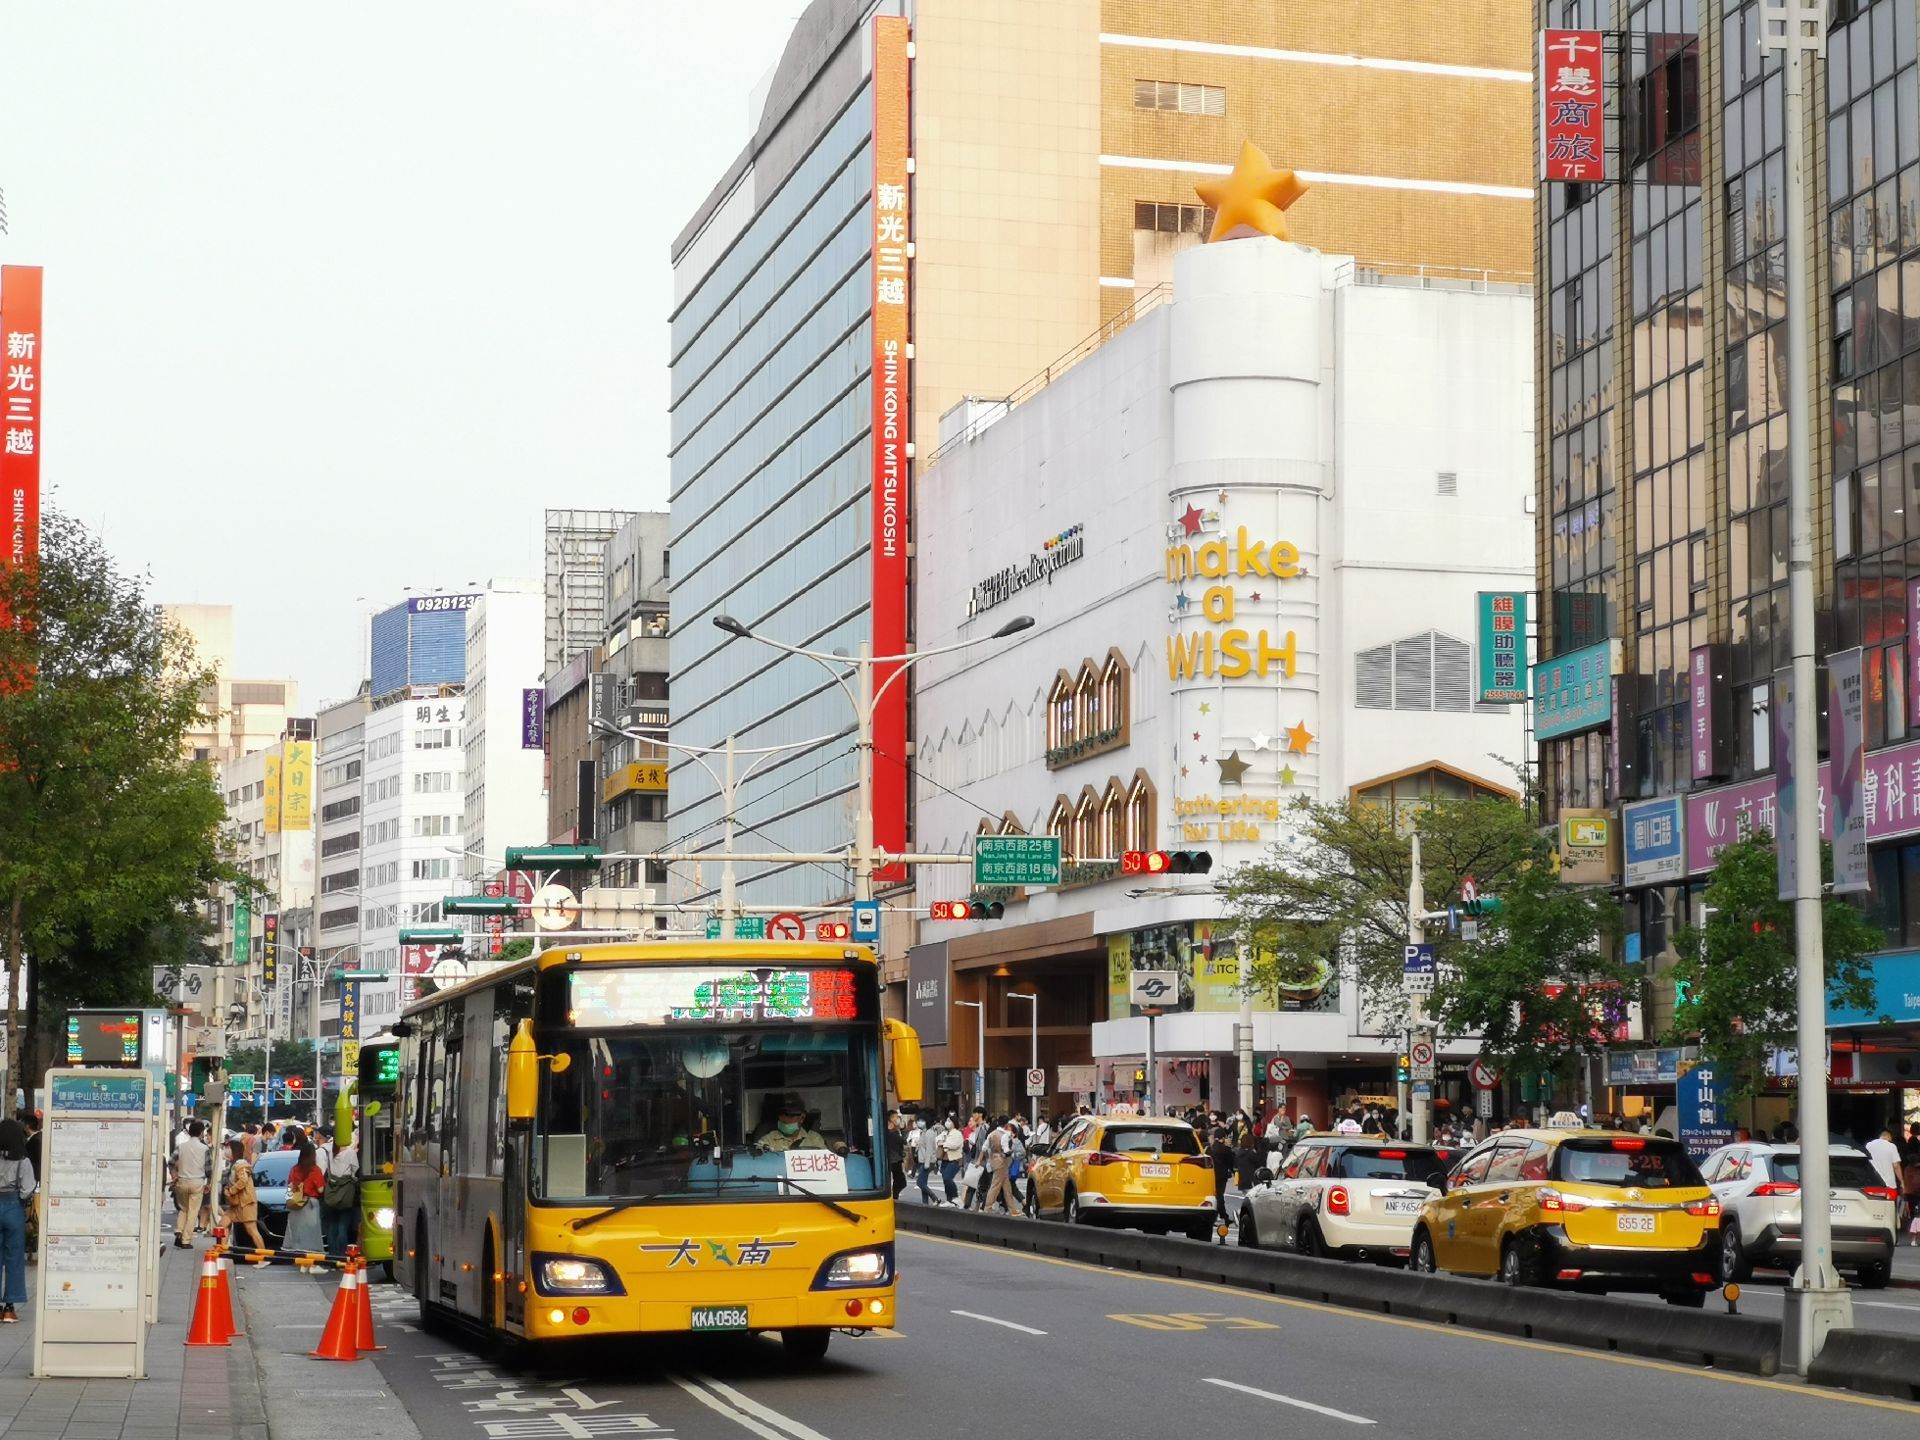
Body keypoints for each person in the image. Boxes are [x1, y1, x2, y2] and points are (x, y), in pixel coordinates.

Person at [0, 1119, 34, 1323]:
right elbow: (28, 1188)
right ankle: (9, 1308)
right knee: (14, 1258)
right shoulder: (22, 1161)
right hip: (13, 1206)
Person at [221, 1139, 268, 1254]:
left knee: (251, 1229)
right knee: (222, 1225)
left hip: (245, 1203)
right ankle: (222, 1252)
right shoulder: (234, 1165)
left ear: (234, 1151)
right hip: (236, 1204)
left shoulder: (240, 1165)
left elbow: (243, 1180)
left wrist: (231, 1190)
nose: (226, 1151)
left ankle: (264, 1256)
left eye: (229, 1148)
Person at [280, 1140, 325, 1255]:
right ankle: (310, 1259)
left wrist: (289, 1201)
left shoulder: (294, 1169)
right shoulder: (315, 1170)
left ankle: (298, 1256)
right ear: (313, 1155)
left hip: (296, 1203)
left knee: (297, 1232)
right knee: (311, 1233)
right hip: (310, 1204)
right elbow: (321, 1190)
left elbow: (290, 1186)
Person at [171, 1120, 210, 1249]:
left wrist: (174, 1176)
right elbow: (209, 1169)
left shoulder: (181, 1147)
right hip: (197, 1182)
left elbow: (171, 1162)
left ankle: (179, 1230)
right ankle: (186, 1240)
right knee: (193, 1211)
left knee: (184, 1209)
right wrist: (208, 1183)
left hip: (182, 1181)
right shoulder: (204, 1148)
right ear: (201, 1133)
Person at [321, 1131, 359, 1257]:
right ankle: (342, 1254)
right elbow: (355, 1171)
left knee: (332, 1226)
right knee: (343, 1227)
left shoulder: (331, 1152)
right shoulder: (350, 1153)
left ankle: (332, 1253)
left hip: (332, 1193)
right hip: (345, 1194)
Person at [756, 1094, 828, 1152]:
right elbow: (758, 1161)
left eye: (791, 1115)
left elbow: (825, 1163)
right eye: (782, 1114)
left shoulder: (815, 1139)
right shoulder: (769, 1139)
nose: (785, 1119)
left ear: (802, 1118)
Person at [981, 1117, 1021, 1215]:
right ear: (1006, 1124)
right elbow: (1006, 1150)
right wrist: (1012, 1151)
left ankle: (1012, 1210)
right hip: (1002, 1161)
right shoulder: (1004, 1136)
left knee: (1007, 1187)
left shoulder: (992, 1134)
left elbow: (984, 1148)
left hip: (993, 1160)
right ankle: (988, 1208)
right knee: (995, 1185)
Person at [914, 1117, 943, 1205]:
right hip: (923, 1160)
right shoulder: (924, 1132)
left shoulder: (929, 1133)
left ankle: (935, 1198)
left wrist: (926, 1163)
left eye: (921, 1120)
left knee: (919, 1182)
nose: (919, 1122)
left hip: (928, 1161)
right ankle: (925, 1203)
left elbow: (929, 1149)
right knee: (923, 1183)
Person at [937, 1115, 965, 1204]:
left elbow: (954, 1145)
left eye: (949, 1121)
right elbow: (937, 1139)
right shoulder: (945, 1132)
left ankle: (955, 1196)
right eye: (947, 1120)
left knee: (947, 1178)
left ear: (954, 1123)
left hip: (954, 1160)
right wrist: (941, 1142)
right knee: (945, 1181)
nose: (947, 1122)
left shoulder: (957, 1133)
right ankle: (949, 1200)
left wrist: (944, 1144)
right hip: (944, 1160)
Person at [1867, 1127, 1903, 1192]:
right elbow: (1896, 1166)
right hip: (1889, 1185)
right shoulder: (1892, 1146)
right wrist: (1902, 1181)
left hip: (1873, 1183)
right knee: (1889, 1202)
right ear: (1888, 1136)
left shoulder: (1869, 1145)